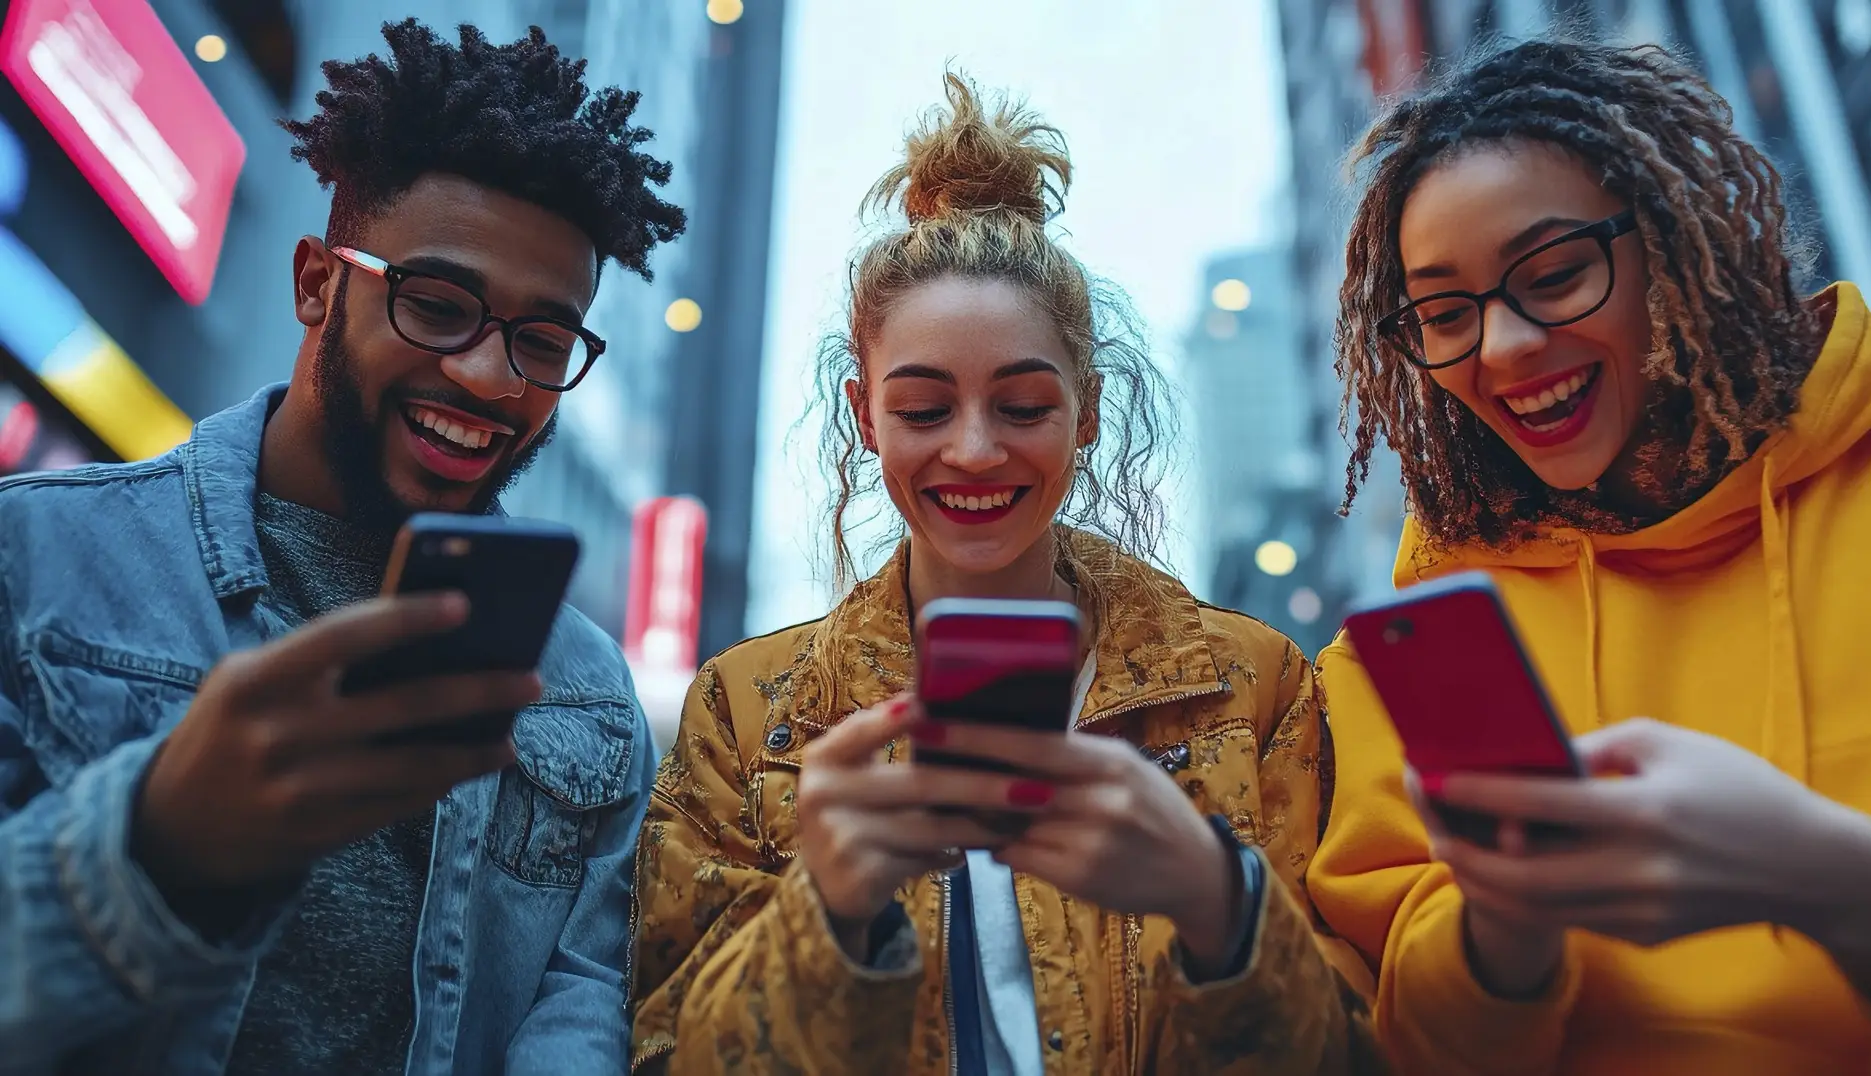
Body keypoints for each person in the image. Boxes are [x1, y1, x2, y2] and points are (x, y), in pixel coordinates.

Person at [629, 74, 1377, 1075]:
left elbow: (1352, 1046)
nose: (976, 451)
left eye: (1024, 407)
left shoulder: (1252, 686)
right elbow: (669, 1048)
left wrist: (1220, 905)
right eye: (924, 410)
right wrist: (828, 920)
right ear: (864, 417)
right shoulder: (749, 712)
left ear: (1088, 411)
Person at [0, 20, 684, 1075]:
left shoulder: (591, 696)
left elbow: (581, 1005)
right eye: (438, 306)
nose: (489, 376)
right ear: (318, 283)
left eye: (543, 342)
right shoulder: (36, 554)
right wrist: (157, 840)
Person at [1307, 38, 1871, 1075]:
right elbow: (1415, 1047)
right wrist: (1501, 931)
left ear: (1671, 245)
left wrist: (1846, 888)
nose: (1504, 345)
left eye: (1555, 275)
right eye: (1444, 315)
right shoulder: (1411, 651)